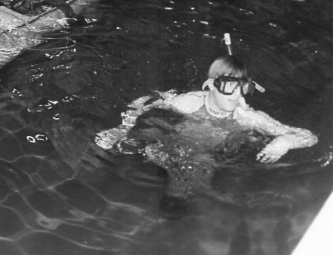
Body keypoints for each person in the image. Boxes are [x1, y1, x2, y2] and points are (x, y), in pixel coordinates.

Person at [95, 54, 318, 213]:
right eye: (230, 86)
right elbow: (145, 101)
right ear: (211, 85)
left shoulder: (248, 117)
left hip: (203, 158)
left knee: (179, 198)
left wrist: (286, 141)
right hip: (170, 141)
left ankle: (174, 193)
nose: (236, 94)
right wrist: (121, 128)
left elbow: (309, 137)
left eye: (243, 87)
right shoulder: (188, 103)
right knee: (112, 145)